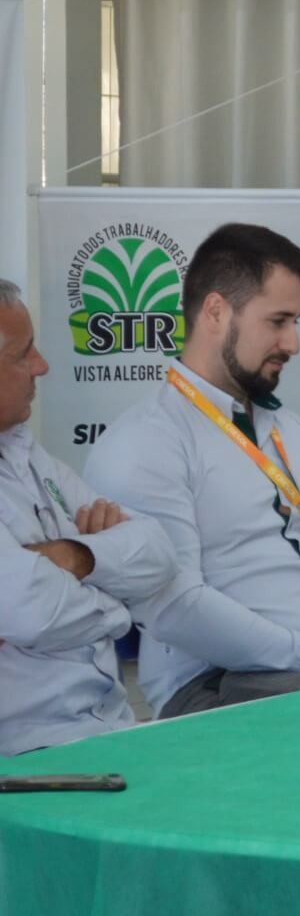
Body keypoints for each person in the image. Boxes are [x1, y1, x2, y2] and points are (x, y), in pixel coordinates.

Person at [86, 224, 300, 718]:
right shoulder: (146, 442)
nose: (293, 343)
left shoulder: (297, 432)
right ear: (216, 312)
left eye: (296, 321)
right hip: (219, 682)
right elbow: (176, 608)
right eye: (278, 321)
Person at [0, 280, 176, 755]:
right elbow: (31, 609)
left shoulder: (27, 455)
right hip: (27, 755)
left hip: (112, 731)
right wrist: (119, 603)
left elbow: (159, 553)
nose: (42, 365)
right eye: (23, 354)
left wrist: (75, 556)